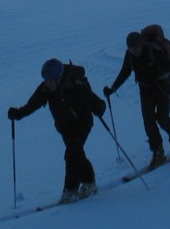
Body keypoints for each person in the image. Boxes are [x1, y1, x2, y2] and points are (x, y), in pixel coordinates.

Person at [8, 58, 107, 203]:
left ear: (59, 77)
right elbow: (31, 105)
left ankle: (70, 190)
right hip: (64, 127)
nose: (48, 84)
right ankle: (89, 182)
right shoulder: (45, 89)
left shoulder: (76, 85)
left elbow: (97, 102)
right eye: (46, 80)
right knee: (77, 155)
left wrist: (99, 108)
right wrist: (18, 114)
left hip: (82, 123)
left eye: (50, 80)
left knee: (71, 153)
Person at [104, 30, 170, 167]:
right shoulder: (129, 55)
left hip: (162, 87)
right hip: (145, 90)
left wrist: (160, 75)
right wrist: (113, 88)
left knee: (162, 118)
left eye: (136, 48)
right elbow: (125, 72)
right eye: (131, 48)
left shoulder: (155, 50)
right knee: (149, 122)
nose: (134, 51)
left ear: (142, 44)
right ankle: (157, 151)